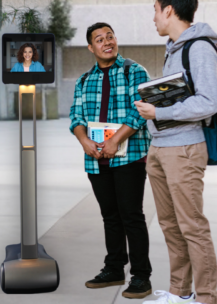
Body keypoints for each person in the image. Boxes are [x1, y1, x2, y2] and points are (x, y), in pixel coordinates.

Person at [135, 0, 217, 304]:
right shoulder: (174, 46)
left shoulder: (198, 46)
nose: (153, 17)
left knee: (191, 226)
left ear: (169, 10)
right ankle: (180, 293)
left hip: (183, 149)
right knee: (170, 225)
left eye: (155, 10)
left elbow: (209, 101)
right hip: (161, 147)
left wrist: (159, 110)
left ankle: (207, 297)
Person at [70, 22, 152, 299]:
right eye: (99, 39)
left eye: (110, 36)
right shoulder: (84, 80)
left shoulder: (133, 71)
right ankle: (114, 268)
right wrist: (84, 141)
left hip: (129, 156)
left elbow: (140, 111)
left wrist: (115, 139)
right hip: (96, 159)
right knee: (110, 217)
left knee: (132, 216)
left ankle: (141, 276)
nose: (107, 42)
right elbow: (76, 117)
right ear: (91, 47)